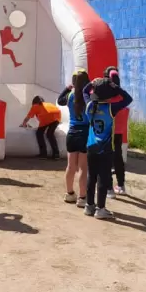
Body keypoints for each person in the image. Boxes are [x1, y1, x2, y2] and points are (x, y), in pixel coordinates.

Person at [82, 77, 133, 220]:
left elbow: (84, 91)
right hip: (105, 149)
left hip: (91, 146)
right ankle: (101, 209)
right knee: (103, 178)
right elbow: (128, 99)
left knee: (91, 176)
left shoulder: (90, 106)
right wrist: (115, 86)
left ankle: (89, 206)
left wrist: (92, 83)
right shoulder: (111, 108)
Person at [57, 69, 91, 207]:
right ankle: (82, 198)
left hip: (72, 132)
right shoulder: (89, 96)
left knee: (71, 166)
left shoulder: (70, 95)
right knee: (83, 167)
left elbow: (60, 101)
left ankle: (70, 193)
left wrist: (66, 88)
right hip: (85, 132)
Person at [104, 66, 130, 198]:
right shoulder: (122, 97)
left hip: (108, 133)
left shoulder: (107, 99)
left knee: (107, 160)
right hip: (119, 134)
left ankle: (109, 189)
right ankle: (121, 186)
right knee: (118, 159)